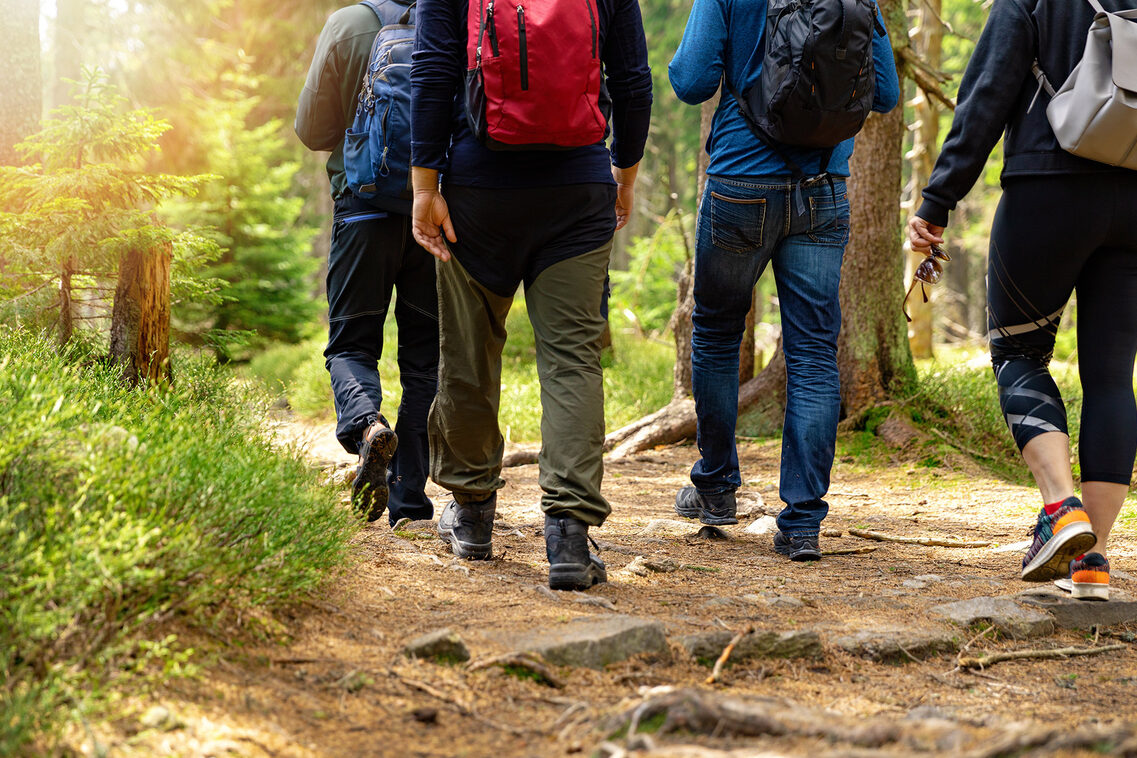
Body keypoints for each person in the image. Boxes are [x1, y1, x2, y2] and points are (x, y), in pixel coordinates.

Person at [409, 0, 652, 589]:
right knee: (572, 360)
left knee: (469, 353)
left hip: (477, 193)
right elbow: (633, 77)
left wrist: (424, 186)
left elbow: (433, 69)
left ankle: (470, 516)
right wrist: (624, 176)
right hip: (577, 189)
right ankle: (568, 537)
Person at [908, 0, 1137, 600]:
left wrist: (938, 201)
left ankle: (1063, 511)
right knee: (1113, 379)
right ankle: (1094, 563)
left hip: (1047, 187)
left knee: (1019, 353)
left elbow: (985, 97)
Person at [668, 0, 899, 561]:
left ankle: (718, 488)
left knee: (718, 333)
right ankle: (802, 522)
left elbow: (691, 80)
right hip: (822, 188)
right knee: (814, 352)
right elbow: (886, 94)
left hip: (740, 183)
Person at [295, 0, 439, 526]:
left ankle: (366, 425)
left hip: (363, 211)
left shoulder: (348, 24)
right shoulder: (456, 19)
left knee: (351, 344)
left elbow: (312, 130)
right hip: (438, 215)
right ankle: (410, 502)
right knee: (426, 361)